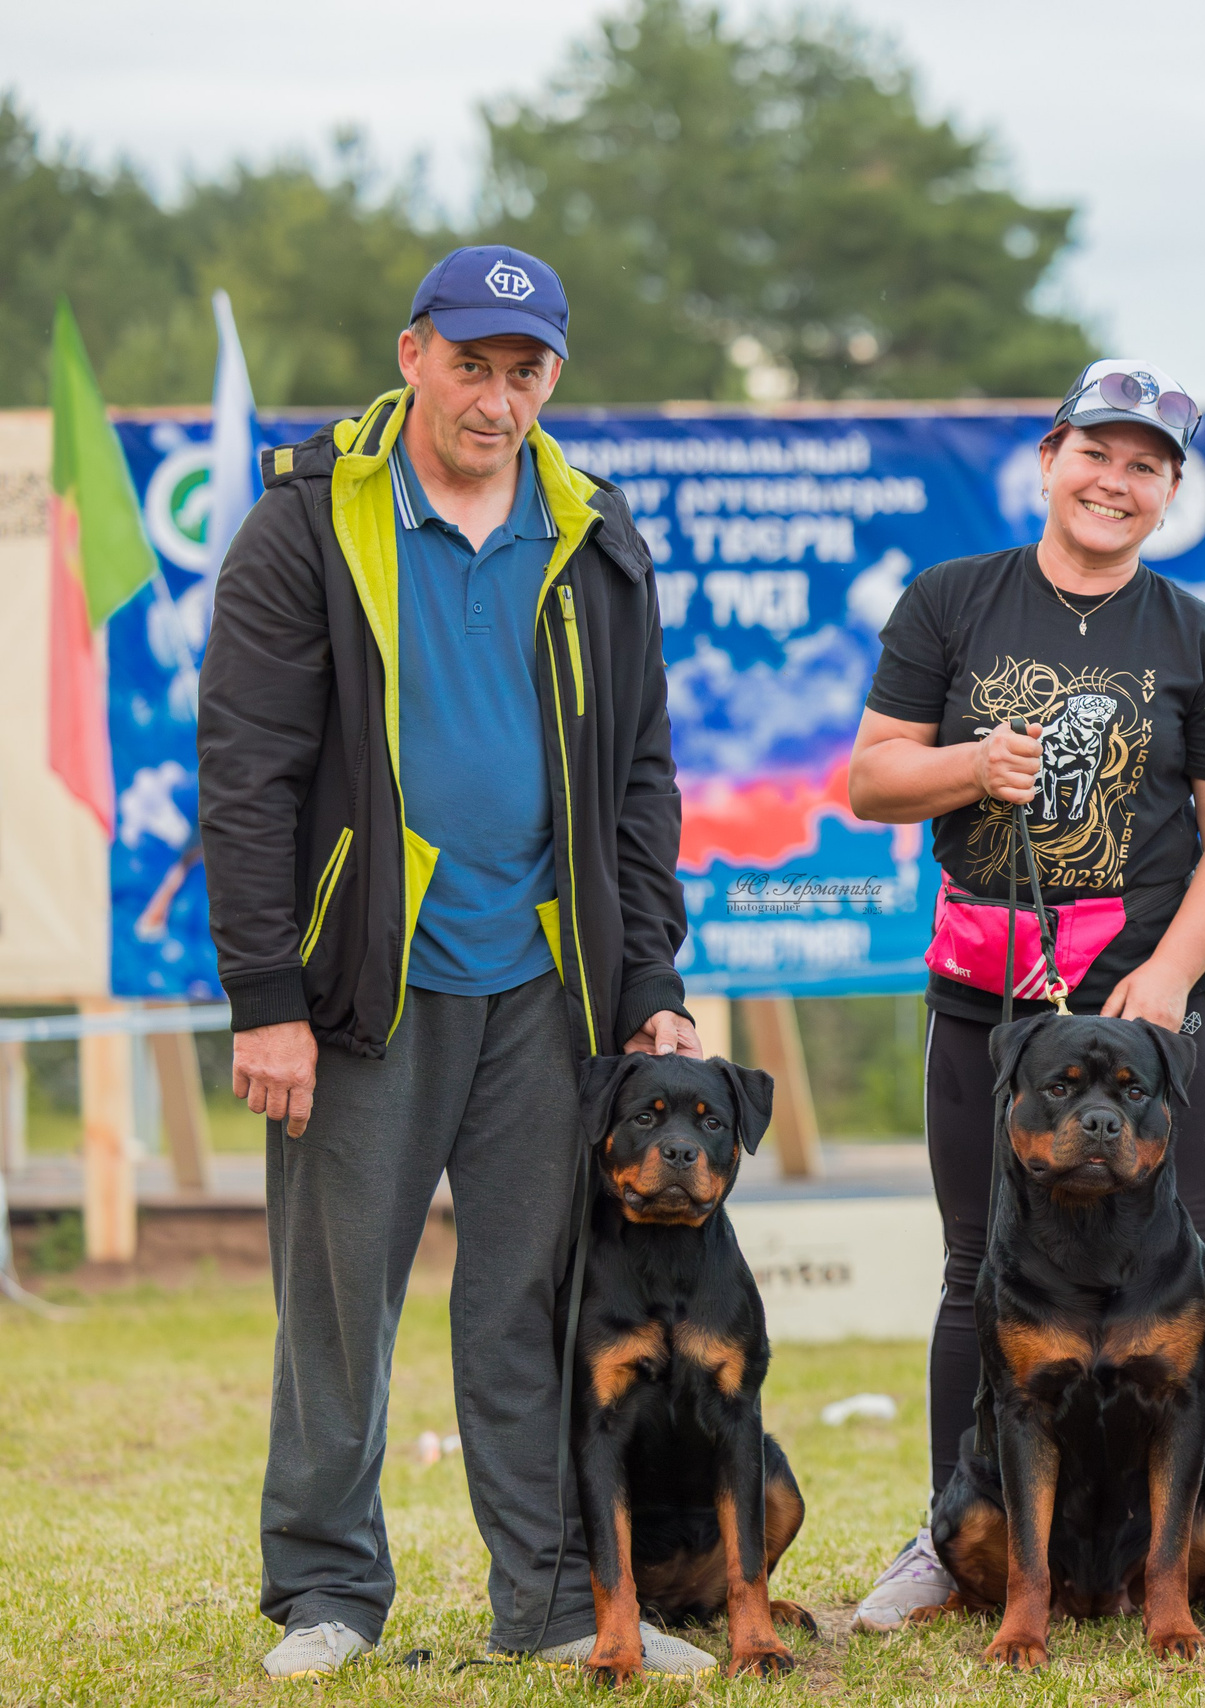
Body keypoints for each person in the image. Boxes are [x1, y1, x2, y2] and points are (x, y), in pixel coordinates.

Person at [199, 245, 711, 1678]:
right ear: (415, 352)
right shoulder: (305, 522)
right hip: (362, 989)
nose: (497, 398)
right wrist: (267, 1000)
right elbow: (246, 777)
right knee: (338, 1309)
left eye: (526, 369)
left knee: (533, 1309)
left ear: (555, 376)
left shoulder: (597, 532)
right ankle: (326, 1595)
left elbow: (642, 780)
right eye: (473, 363)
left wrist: (650, 979)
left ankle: (550, 1604)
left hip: (547, 995)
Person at [843, 359, 1205, 1639]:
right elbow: (872, 782)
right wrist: (966, 765)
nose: (1116, 480)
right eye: (1098, 452)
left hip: (1149, 1006)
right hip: (986, 999)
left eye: (1146, 465)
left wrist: (1165, 980)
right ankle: (951, 1532)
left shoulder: (1197, 636)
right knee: (973, 1268)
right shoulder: (950, 603)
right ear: (1050, 458)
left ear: (1169, 493)